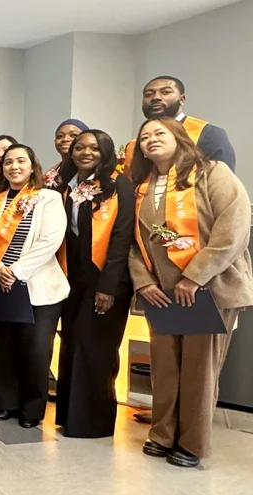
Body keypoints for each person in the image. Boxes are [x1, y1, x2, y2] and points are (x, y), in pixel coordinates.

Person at [129, 117, 252, 468]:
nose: (150, 140)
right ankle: (162, 433)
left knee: (199, 370)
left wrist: (195, 276)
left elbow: (234, 230)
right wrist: (144, 282)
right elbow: (135, 243)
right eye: (144, 137)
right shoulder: (143, 185)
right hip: (163, 294)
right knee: (165, 368)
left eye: (159, 134)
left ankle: (193, 443)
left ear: (180, 137)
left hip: (210, 291)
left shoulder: (213, 173)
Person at [0, 144, 68, 428]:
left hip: (37, 286)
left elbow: (50, 240)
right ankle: (4, 403)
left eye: (20, 161)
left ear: (32, 166)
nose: (13, 167)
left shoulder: (48, 198)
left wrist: (16, 270)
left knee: (35, 349)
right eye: (7, 162)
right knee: (1, 346)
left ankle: (31, 409)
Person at [54, 130, 136, 439]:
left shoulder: (119, 186)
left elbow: (121, 238)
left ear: (106, 152)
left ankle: (94, 423)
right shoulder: (69, 185)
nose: (85, 152)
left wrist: (108, 287)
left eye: (94, 147)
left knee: (95, 348)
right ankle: (70, 418)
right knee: (73, 344)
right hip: (73, 277)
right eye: (79, 147)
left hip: (106, 279)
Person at [123, 76, 236, 180]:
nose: (156, 97)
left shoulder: (208, 133)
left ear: (182, 99)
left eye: (165, 92)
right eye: (148, 94)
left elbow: (222, 182)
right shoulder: (135, 144)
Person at [44, 119, 87, 189]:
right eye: (60, 136)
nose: (65, 139)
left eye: (73, 135)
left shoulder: (94, 172)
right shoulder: (50, 174)